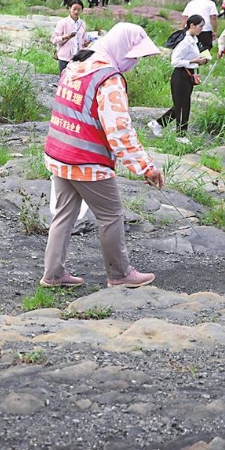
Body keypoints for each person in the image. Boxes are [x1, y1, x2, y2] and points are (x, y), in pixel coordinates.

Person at [41, 23, 165, 290]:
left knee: (64, 214)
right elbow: (119, 131)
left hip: (60, 153)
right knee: (111, 216)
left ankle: (53, 274)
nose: (133, 63)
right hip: (87, 160)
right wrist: (146, 167)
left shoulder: (77, 63)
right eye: (133, 57)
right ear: (121, 49)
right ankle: (120, 274)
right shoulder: (108, 79)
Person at [149, 15, 208, 142]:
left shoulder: (194, 40)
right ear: (192, 25)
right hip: (180, 75)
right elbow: (175, 61)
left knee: (180, 105)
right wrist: (193, 60)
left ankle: (158, 124)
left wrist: (200, 61)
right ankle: (181, 136)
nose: (202, 29)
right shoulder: (185, 42)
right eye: (200, 26)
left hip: (188, 75)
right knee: (183, 107)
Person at [51, 0, 89, 73]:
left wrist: (86, 43)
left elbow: (84, 39)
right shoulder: (62, 23)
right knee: (64, 78)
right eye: (74, 9)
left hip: (78, 58)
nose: (76, 12)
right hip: (65, 57)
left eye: (78, 10)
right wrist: (64, 37)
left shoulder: (82, 24)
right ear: (69, 9)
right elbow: (54, 39)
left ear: (82, 10)